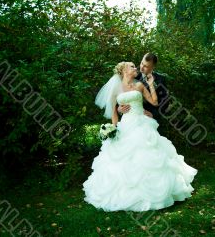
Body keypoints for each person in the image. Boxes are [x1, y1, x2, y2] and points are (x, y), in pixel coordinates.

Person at [82, 61, 197, 212]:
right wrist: (114, 130)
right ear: (123, 70)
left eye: (135, 66)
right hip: (126, 126)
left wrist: (150, 84)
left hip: (142, 124)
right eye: (131, 66)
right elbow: (114, 114)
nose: (135, 68)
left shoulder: (140, 85)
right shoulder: (115, 89)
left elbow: (154, 102)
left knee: (149, 155)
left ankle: (154, 191)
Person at [117, 53, 169, 123]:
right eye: (142, 63)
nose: (141, 67)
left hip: (150, 119)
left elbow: (165, 101)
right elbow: (121, 94)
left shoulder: (160, 79)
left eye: (146, 66)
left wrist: (154, 114)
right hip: (130, 119)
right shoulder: (132, 74)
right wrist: (119, 109)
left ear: (153, 67)